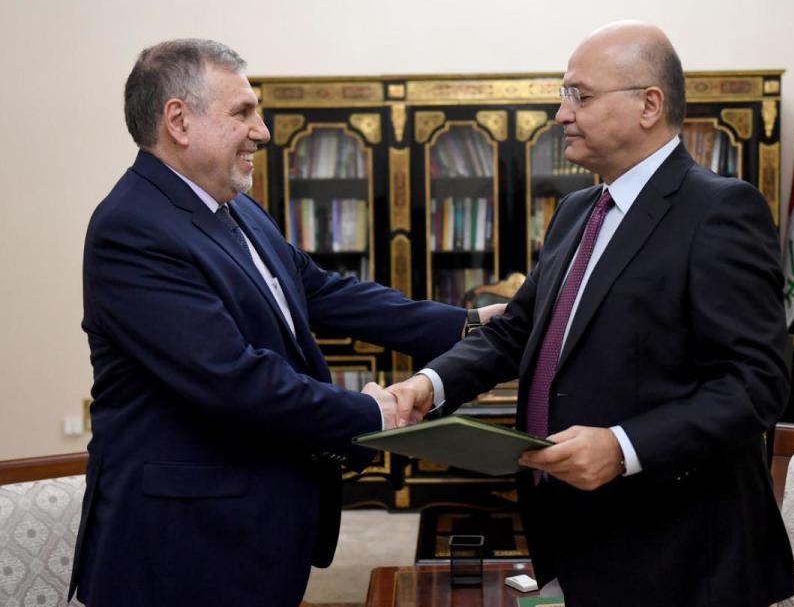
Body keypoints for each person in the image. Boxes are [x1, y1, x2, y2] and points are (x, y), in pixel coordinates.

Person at [71, 38, 502, 607]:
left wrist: (467, 324)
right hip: (180, 548)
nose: (264, 131)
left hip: (251, 530)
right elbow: (233, 378)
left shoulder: (233, 206)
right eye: (243, 112)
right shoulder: (132, 229)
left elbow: (322, 291)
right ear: (178, 120)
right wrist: (372, 413)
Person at [387, 21, 794, 606]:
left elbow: (755, 384)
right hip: (573, 533)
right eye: (563, 95)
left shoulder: (719, 211)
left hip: (678, 551)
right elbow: (519, 330)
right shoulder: (579, 209)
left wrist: (623, 446)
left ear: (648, 105)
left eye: (579, 95)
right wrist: (431, 383)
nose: (561, 114)